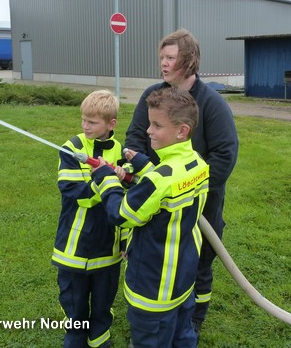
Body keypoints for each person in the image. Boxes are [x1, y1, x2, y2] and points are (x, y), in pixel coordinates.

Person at [124, 28, 238, 335]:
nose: (163, 63)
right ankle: (159, 314)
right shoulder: (153, 97)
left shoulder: (212, 104)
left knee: (197, 261)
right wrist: (146, 175)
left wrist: (191, 186)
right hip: (155, 201)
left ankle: (193, 319)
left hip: (199, 205)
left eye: (170, 57)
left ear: (188, 60)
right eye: (162, 56)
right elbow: (135, 135)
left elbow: (225, 155)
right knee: (158, 257)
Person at [92, 87, 209, 348]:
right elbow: (169, 188)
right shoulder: (198, 163)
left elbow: (121, 214)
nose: (148, 131)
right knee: (183, 337)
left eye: (157, 125)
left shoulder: (159, 180)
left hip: (152, 289)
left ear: (182, 131)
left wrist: (106, 179)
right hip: (183, 281)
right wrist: (145, 164)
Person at [51, 90, 126, 348]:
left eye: (92, 122)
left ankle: (99, 337)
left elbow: (126, 198)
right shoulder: (72, 147)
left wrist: (122, 176)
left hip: (108, 246)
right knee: (74, 299)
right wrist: (106, 179)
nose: (85, 126)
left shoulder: (119, 150)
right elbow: (75, 193)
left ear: (111, 124)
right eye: (83, 119)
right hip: (75, 244)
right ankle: (75, 335)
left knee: (104, 298)